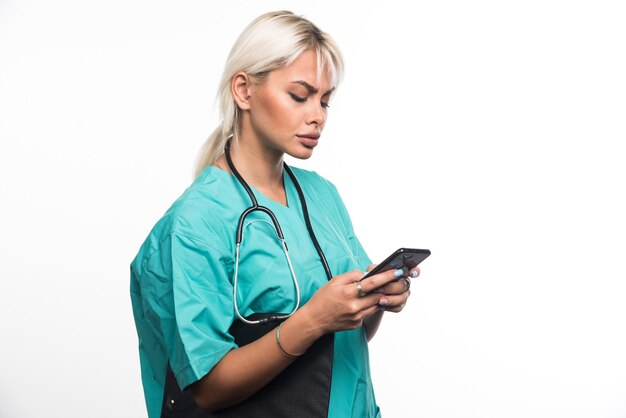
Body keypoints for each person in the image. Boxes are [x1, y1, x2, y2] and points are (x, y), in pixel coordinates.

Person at [130, 10, 419, 418]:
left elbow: (347, 339)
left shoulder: (322, 195)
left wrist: (373, 301)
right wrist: (313, 319)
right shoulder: (195, 223)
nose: (317, 115)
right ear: (244, 91)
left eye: (325, 100)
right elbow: (207, 387)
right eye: (299, 96)